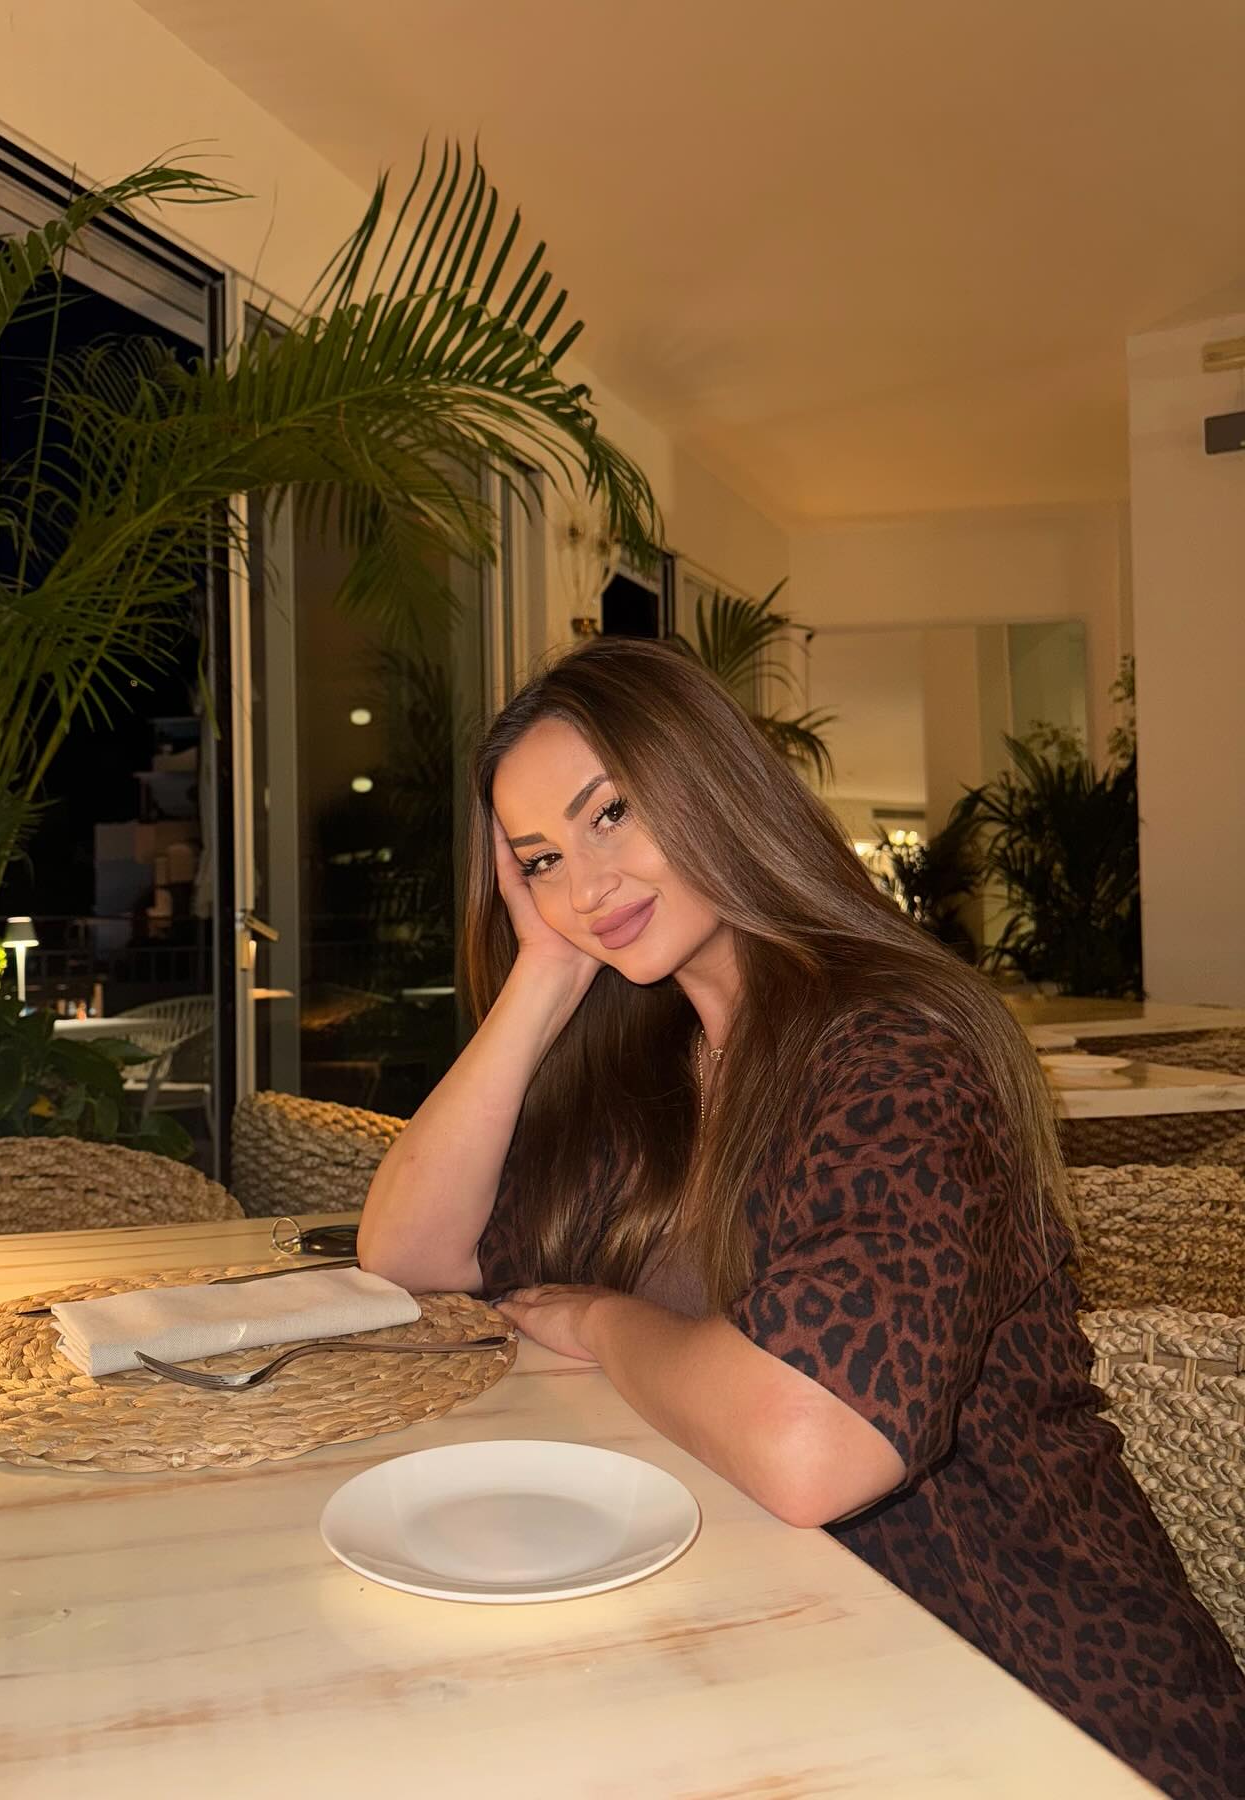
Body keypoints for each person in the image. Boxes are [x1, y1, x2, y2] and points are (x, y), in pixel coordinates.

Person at [359, 635, 1245, 1800]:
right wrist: (543, 977)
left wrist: (603, 1322)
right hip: (799, 1660)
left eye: (610, 814)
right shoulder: (652, 1058)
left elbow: (813, 1445)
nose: (587, 885)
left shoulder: (900, 1047)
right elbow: (410, 1257)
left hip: (1032, 1695)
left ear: (708, 782)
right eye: (543, 861)